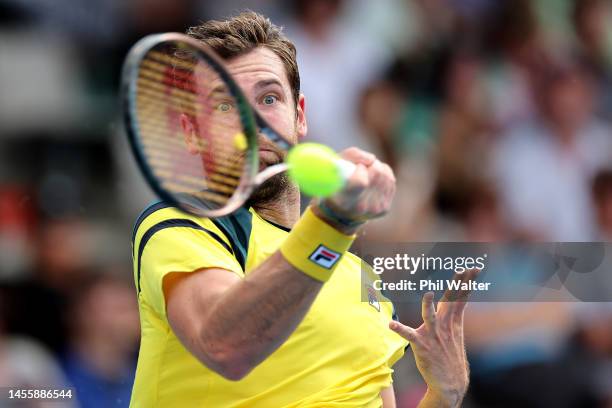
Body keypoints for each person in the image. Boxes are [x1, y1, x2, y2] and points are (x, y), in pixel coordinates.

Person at [130, 11, 472, 407]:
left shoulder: (355, 273)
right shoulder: (183, 224)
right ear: (193, 134)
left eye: (268, 98)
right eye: (225, 106)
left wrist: (445, 394)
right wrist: (334, 224)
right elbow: (224, 345)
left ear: (300, 116)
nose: (252, 120)